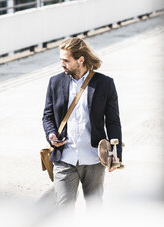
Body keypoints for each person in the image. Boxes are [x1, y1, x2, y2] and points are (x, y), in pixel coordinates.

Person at [42, 37, 122, 209]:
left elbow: (113, 122)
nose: (62, 64)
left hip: (93, 158)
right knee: (63, 210)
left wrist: (115, 156)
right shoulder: (55, 82)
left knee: (94, 209)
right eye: (61, 60)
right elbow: (47, 116)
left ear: (81, 60)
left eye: (66, 60)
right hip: (64, 158)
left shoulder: (105, 84)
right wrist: (51, 134)